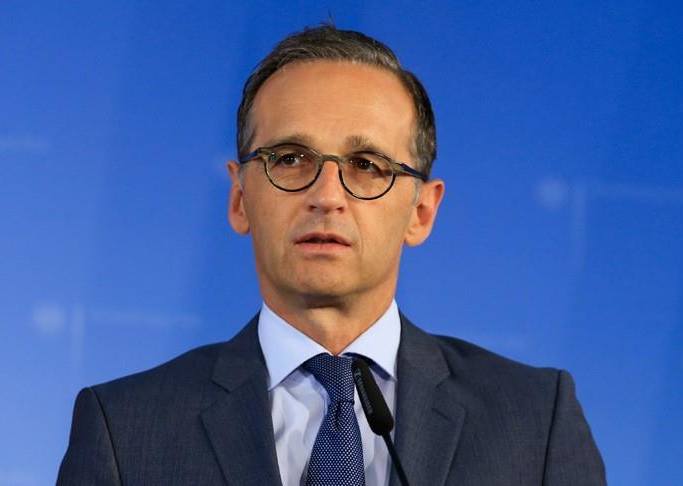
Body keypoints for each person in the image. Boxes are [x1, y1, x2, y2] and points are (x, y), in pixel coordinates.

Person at [58, 25, 606, 485]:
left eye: (367, 165)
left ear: (421, 212)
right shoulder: (125, 430)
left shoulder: (536, 420)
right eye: (290, 158)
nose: (326, 195)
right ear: (239, 198)